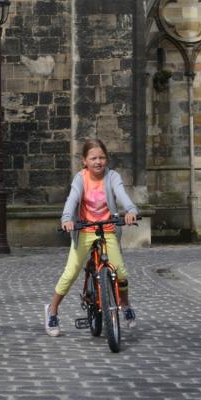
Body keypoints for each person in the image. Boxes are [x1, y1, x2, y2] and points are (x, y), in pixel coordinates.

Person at [45, 139, 139, 337]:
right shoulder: (80, 178)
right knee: (70, 273)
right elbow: (72, 199)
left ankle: (125, 304)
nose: (98, 162)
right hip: (84, 230)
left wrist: (130, 210)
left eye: (102, 157)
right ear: (84, 161)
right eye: (93, 158)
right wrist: (67, 218)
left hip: (107, 229)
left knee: (120, 272)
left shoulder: (112, 176)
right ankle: (52, 311)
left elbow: (122, 195)